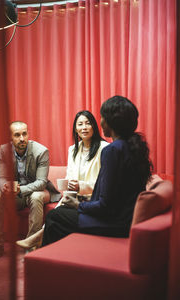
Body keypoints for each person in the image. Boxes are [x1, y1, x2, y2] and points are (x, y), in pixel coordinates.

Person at [40, 95, 153, 246]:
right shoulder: (133, 146)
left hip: (115, 223)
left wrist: (77, 205)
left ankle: (50, 263)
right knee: (59, 215)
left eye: (102, 117)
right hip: (127, 218)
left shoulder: (112, 150)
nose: (101, 122)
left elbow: (104, 206)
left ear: (111, 121)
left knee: (54, 216)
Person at [16, 110, 109, 249]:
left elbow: (104, 184)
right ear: (75, 129)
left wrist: (80, 186)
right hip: (74, 197)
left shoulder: (105, 148)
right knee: (54, 214)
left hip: (92, 199)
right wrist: (68, 186)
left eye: (88, 124)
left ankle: (36, 241)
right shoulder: (73, 150)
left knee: (54, 217)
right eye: (80, 124)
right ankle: (41, 247)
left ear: (94, 127)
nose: (84, 127)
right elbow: (70, 176)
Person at [0, 121, 61, 260]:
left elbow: (41, 182)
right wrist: (6, 188)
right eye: (17, 135)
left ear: (28, 134)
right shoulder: (4, 150)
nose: (22, 138)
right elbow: (1, 178)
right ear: (10, 138)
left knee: (36, 197)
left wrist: (20, 190)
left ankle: (31, 245)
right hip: (16, 194)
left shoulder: (41, 151)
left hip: (37, 191)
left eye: (24, 134)